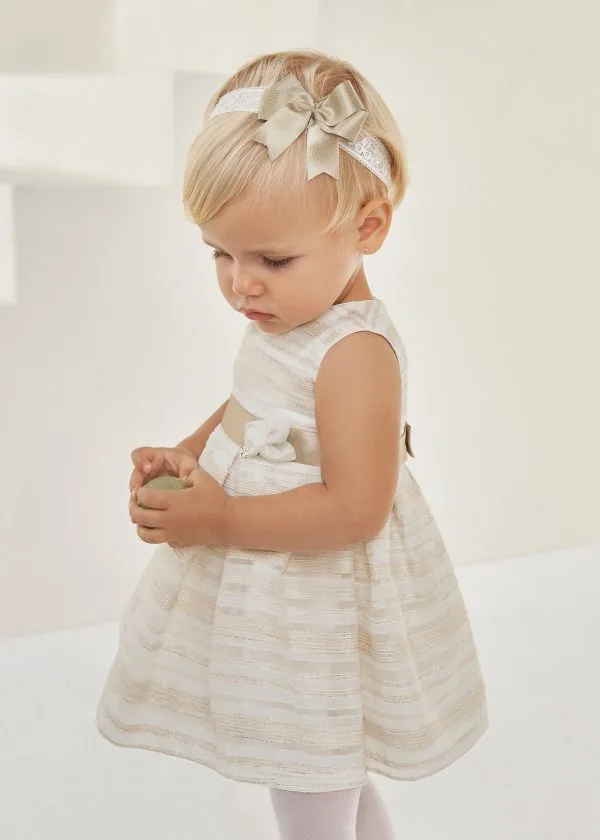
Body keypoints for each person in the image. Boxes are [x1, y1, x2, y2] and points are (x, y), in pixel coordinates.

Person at [96, 50, 488, 840]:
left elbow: (355, 510)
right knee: (318, 769)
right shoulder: (287, 317)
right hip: (271, 585)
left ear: (367, 227)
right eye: (220, 254)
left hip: (316, 596)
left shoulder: (354, 353)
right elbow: (252, 400)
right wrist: (189, 452)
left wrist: (222, 520)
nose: (242, 284)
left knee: (309, 768)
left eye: (272, 259)